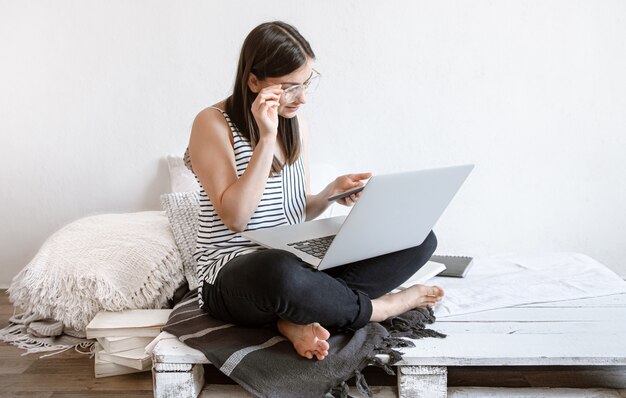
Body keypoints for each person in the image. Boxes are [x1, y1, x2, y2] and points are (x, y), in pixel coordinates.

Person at [186, 21, 444, 362]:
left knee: (417, 237)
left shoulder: (296, 124)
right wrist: (266, 137)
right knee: (280, 272)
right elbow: (236, 217)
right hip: (233, 274)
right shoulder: (212, 123)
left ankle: (294, 316)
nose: (302, 98)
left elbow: (293, 212)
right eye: (290, 87)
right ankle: (378, 308)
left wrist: (328, 195)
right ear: (253, 82)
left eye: (306, 84)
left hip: (295, 263)